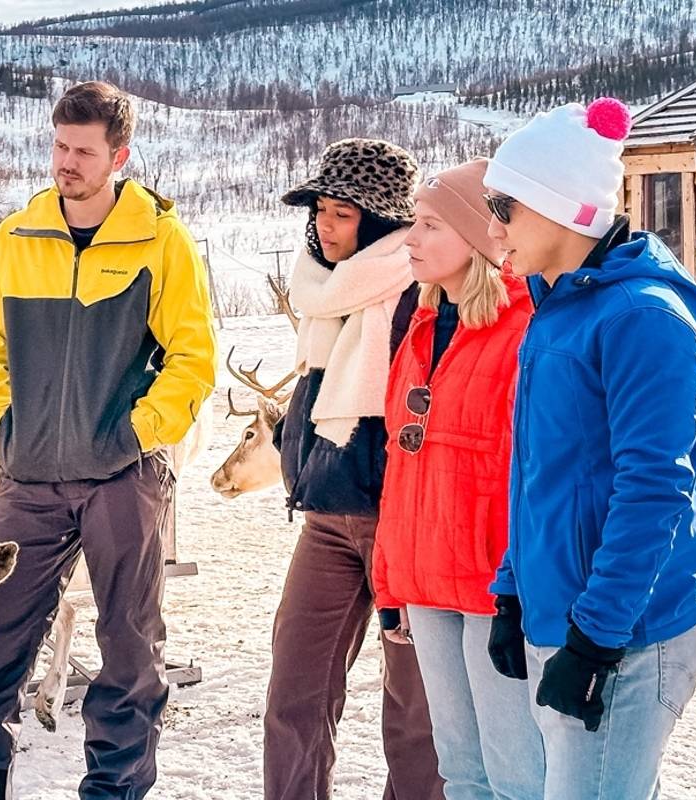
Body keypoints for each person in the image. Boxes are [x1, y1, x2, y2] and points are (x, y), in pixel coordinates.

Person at [0, 80, 216, 800]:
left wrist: (134, 434)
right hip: (28, 475)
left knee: (127, 646)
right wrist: (1, 427)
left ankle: (113, 790)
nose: (67, 162)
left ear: (118, 155)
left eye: (84, 152)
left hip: (121, 475)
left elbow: (192, 359)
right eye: (60, 146)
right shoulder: (16, 236)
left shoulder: (160, 239)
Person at [483, 98, 696, 799]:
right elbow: (539, 473)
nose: (493, 227)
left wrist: (597, 641)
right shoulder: (558, 311)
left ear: (558, 208)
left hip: (628, 634)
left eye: (505, 206)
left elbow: (653, 493)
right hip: (569, 614)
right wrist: (512, 588)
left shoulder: (642, 318)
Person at [267, 138, 444, 800]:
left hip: (403, 520)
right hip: (328, 517)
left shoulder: (421, 291)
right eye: (319, 209)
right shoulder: (324, 293)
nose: (323, 224)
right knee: (295, 695)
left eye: (341, 212)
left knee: (415, 717)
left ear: (378, 221)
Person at [371, 159, 541, 799]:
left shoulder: (523, 331)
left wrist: (517, 590)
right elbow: (402, 464)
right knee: (461, 773)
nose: (410, 239)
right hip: (426, 581)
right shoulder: (418, 327)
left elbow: (528, 472)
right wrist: (391, 579)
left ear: (476, 239)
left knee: (516, 775)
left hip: (493, 588)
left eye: (430, 225)